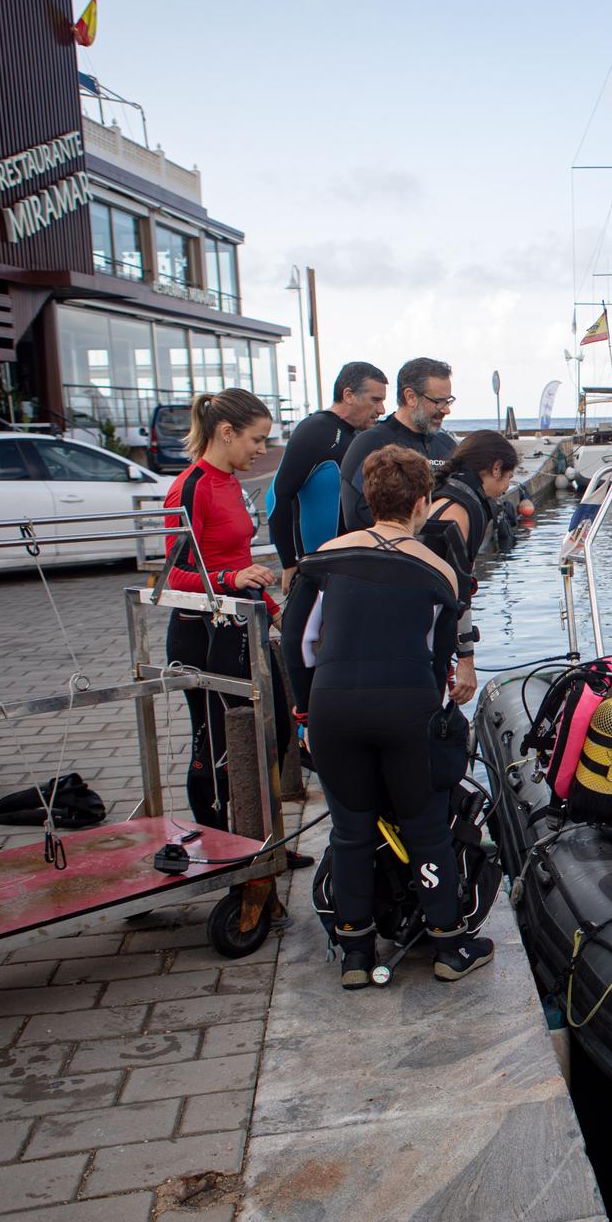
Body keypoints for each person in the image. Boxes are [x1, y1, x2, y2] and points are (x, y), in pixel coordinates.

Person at [281, 445, 491, 988]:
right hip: (406, 708)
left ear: (369, 498)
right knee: (425, 830)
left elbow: (299, 644)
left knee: (350, 831)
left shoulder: (324, 558)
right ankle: (448, 944)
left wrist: (307, 710)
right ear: (423, 501)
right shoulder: (438, 570)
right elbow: (439, 652)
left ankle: (354, 950)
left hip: (335, 707)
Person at [161, 389, 309, 866]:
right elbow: (173, 575)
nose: (261, 450)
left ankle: (264, 843)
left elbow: (239, 561)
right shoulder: (191, 486)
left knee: (277, 734)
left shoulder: (232, 483)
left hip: (241, 624)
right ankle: (221, 847)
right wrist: (229, 580)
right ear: (226, 433)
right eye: (257, 439)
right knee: (218, 745)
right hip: (199, 635)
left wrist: (273, 605)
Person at [269, 361, 388, 592]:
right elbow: (277, 496)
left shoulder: (357, 436)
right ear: (349, 395)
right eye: (376, 400)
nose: (382, 410)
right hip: (316, 570)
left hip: (350, 568)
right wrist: (289, 563)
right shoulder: (316, 430)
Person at [419, 431, 519, 704]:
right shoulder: (466, 509)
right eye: (509, 477)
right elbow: (460, 591)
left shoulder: (443, 495)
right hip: (428, 630)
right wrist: (466, 660)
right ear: (496, 467)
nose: (507, 488)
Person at [337, 357, 457, 533]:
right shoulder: (370, 443)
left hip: (435, 557)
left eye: (448, 401)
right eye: (438, 402)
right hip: (386, 555)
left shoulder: (447, 445)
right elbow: (355, 516)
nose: (446, 410)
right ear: (410, 397)